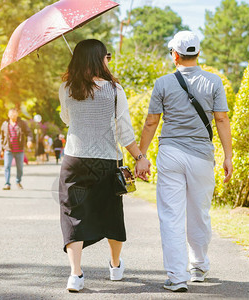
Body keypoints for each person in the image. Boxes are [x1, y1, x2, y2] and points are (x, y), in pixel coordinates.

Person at [136, 31, 233, 293]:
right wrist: (228, 156)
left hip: (170, 154)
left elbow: (151, 122)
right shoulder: (214, 81)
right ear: (198, 53)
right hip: (202, 156)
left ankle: (177, 278)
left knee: (171, 216)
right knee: (199, 212)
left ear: (175, 55)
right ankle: (199, 267)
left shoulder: (163, 83)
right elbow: (222, 120)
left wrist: (141, 156)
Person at [58, 39, 150, 292]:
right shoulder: (114, 89)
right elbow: (124, 131)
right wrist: (140, 158)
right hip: (107, 160)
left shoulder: (66, 87)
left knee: (72, 213)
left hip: (75, 158)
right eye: (106, 55)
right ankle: (116, 265)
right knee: (111, 211)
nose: (109, 59)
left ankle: (76, 274)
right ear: (100, 59)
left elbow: (67, 119)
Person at [1, 108, 33, 190]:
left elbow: (28, 132)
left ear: (17, 114)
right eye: (11, 114)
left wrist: (29, 141)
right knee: (7, 166)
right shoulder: (5, 124)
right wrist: (2, 148)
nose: (13, 115)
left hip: (19, 149)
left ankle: (18, 181)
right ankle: (7, 184)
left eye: (14, 114)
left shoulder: (22, 123)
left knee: (20, 168)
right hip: (8, 150)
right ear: (8, 115)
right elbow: (2, 137)